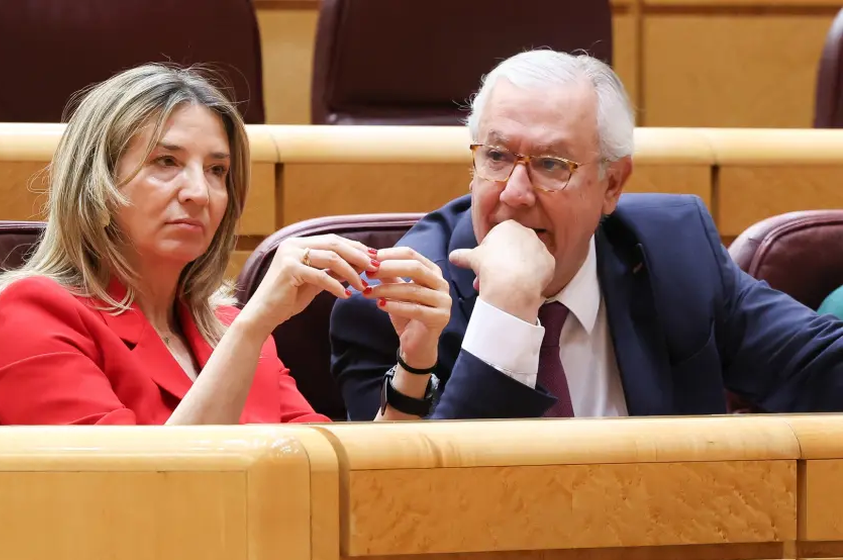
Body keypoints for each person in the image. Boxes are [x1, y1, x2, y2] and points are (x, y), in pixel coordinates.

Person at [329, 49, 843, 421]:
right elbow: (413, 513)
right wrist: (504, 314)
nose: (514, 193)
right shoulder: (393, 302)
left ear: (612, 185)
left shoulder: (675, 250)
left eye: (551, 164)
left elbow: (824, 370)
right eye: (497, 156)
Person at [0, 63, 380, 426]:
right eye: (165, 162)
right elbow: (145, 488)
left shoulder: (224, 326)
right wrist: (253, 325)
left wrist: (412, 366)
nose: (199, 193)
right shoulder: (36, 315)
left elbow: (321, 476)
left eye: (217, 170)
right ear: (97, 182)